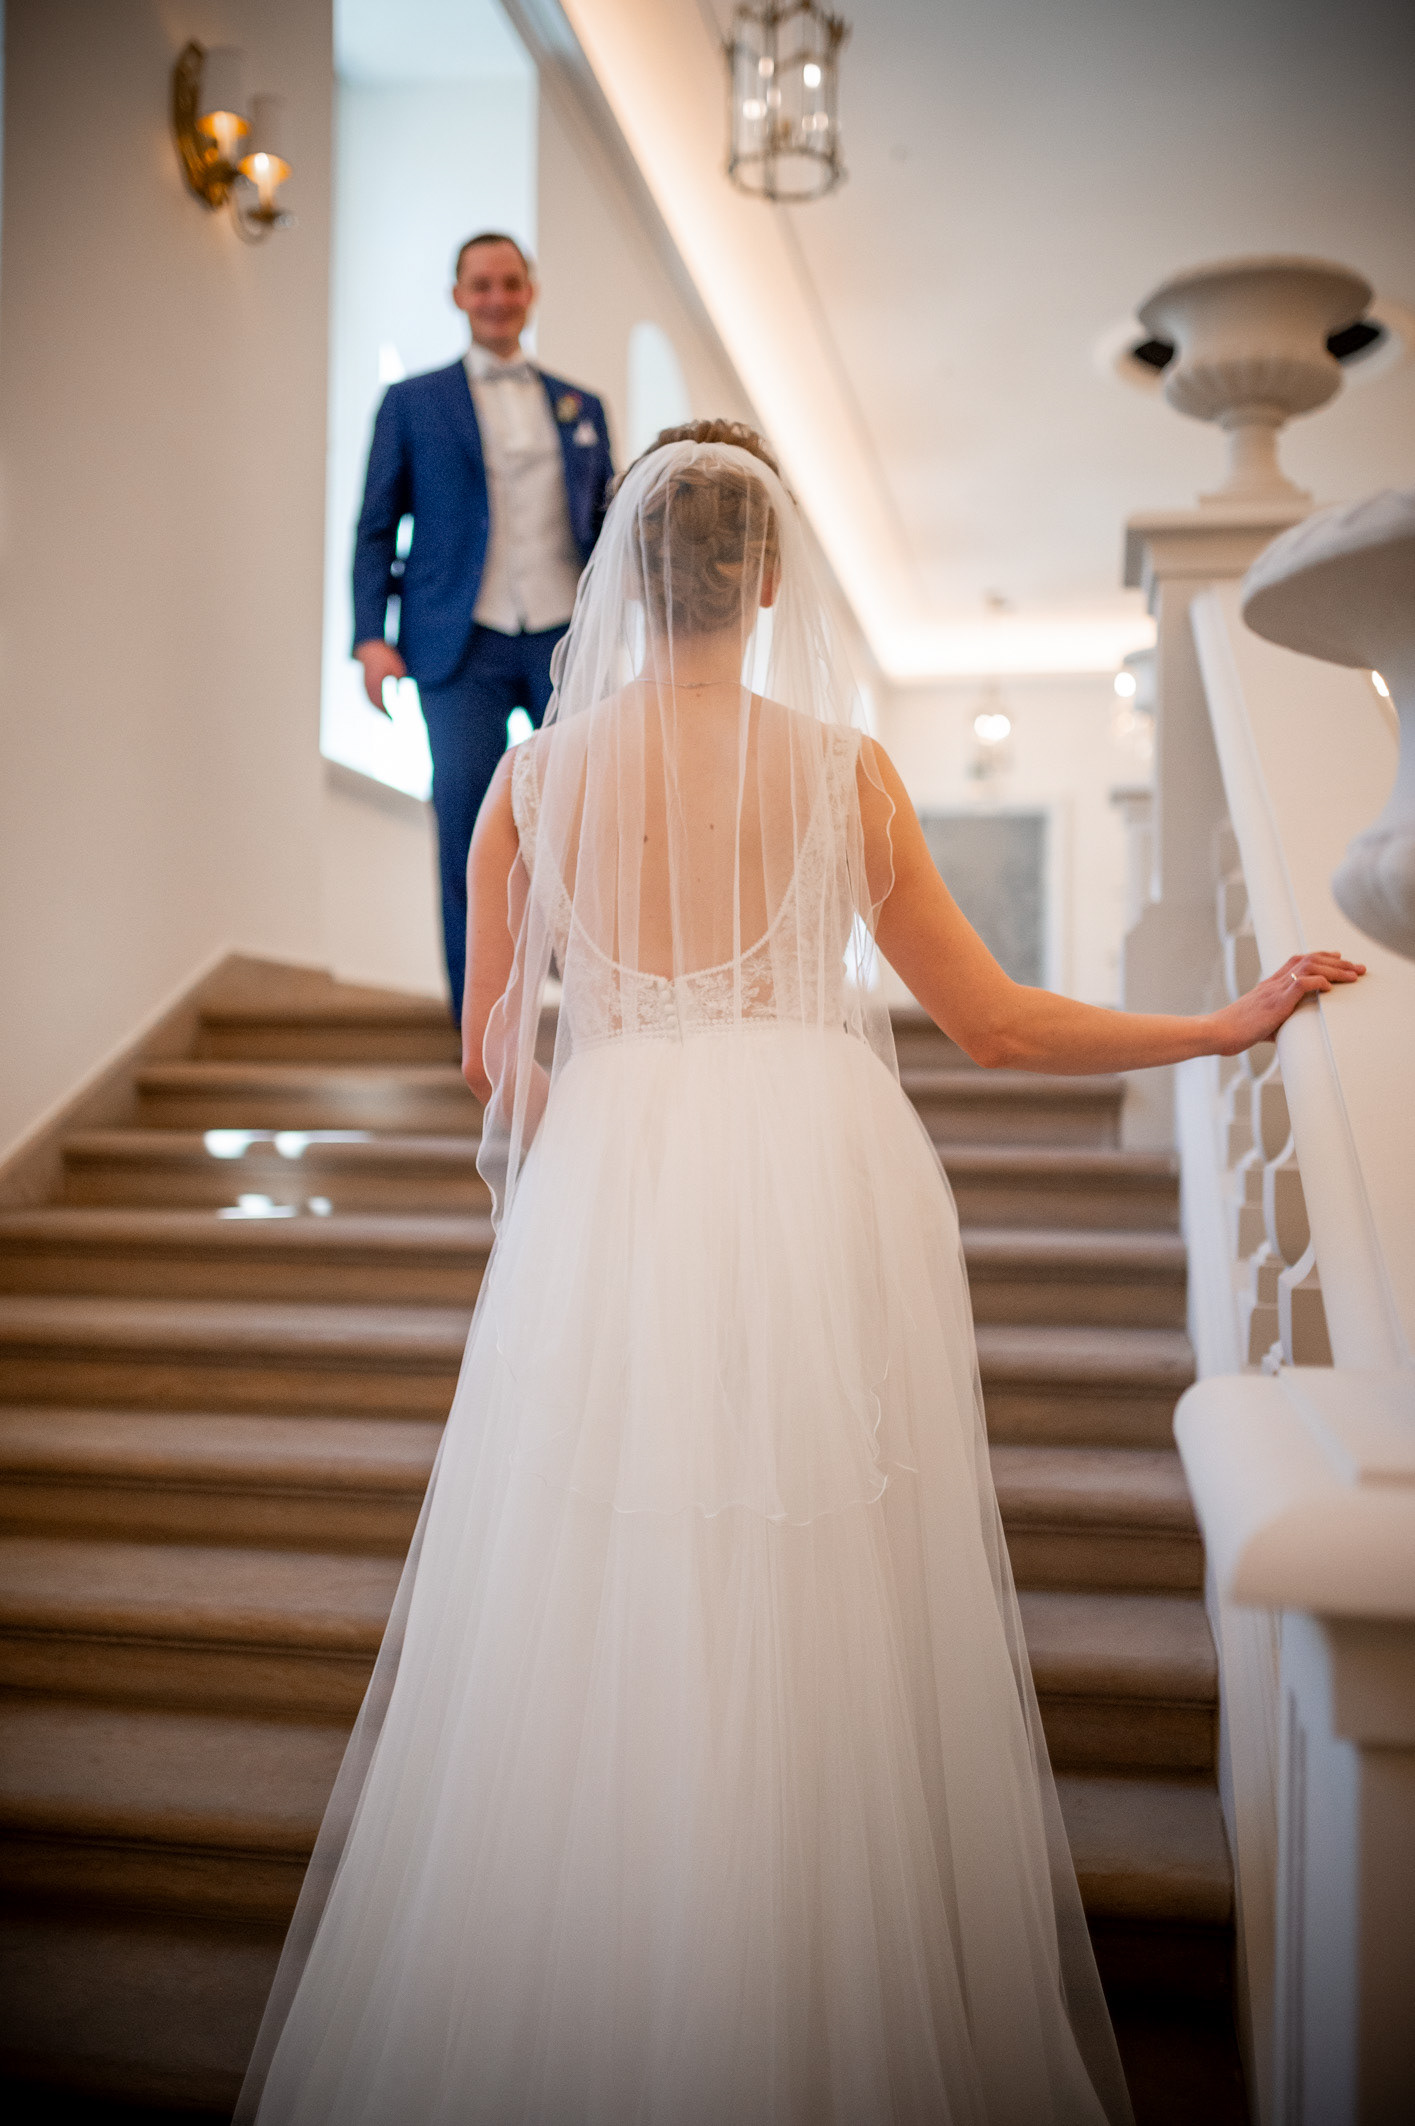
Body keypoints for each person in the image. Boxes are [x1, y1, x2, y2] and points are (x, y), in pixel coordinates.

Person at [239, 423, 1363, 2125]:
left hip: (613, 1194)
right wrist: (1221, 1023)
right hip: (814, 1186)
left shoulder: (531, 786)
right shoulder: (845, 774)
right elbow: (997, 1027)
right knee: (810, 1563)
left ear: (624, 576)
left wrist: (595, 1122)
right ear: (764, 578)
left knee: (604, 1569)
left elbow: (488, 1054)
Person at [351, 231, 614, 1019]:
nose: (497, 298)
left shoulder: (582, 406)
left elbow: (608, 525)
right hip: (456, 641)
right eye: (481, 285)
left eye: (510, 283)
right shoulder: (411, 403)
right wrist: (370, 637)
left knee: (586, 819)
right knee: (466, 826)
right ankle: (480, 1018)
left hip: (564, 639)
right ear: (458, 296)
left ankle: (598, 998)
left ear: (530, 292)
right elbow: (376, 525)